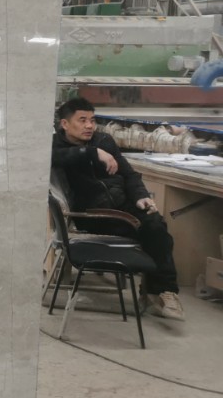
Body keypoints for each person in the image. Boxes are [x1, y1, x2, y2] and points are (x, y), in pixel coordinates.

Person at [52, 97, 186, 321]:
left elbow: (129, 175)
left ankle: (164, 292)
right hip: (93, 214)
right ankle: (156, 292)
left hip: (123, 206)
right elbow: (55, 157)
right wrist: (91, 153)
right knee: (152, 232)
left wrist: (141, 197)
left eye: (92, 120)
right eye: (82, 120)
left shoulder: (104, 140)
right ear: (65, 124)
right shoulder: (55, 145)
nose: (89, 126)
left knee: (155, 223)